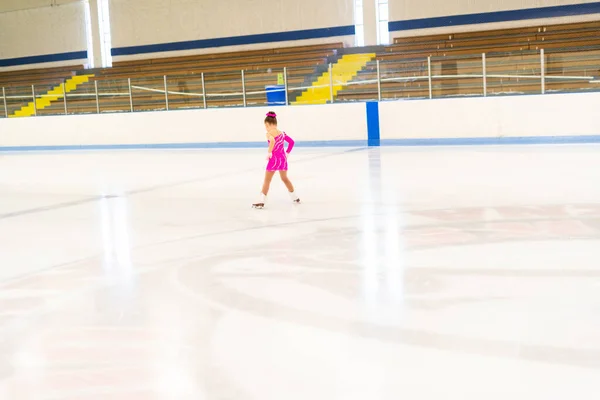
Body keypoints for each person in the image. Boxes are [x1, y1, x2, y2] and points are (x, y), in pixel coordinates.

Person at [252, 111, 300, 209]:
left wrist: (269, 152)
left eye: (266, 126)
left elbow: (273, 141)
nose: (266, 128)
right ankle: (295, 197)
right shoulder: (282, 133)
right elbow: (291, 142)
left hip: (274, 160)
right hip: (282, 159)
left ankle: (261, 201)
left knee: (267, 180)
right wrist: (287, 153)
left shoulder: (269, 133)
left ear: (269, 124)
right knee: (284, 178)